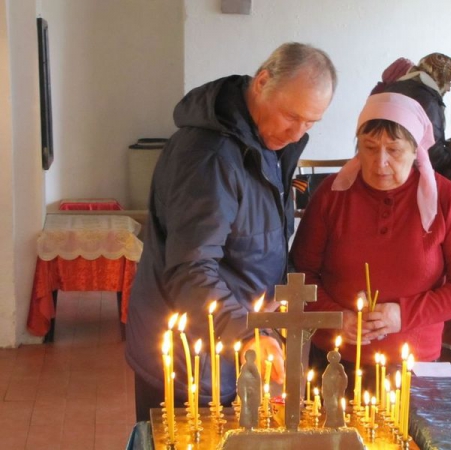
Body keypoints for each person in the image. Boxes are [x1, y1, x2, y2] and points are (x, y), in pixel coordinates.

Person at [125, 42, 337, 421]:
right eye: (292, 116)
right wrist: (245, 333)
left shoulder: (267, 145)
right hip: (190, 358)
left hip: (228, 348)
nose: (297, 132)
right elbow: (191, 268)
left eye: (311, 122)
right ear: (262, 82)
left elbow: (254, 241)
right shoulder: (210, 156)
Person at [290, 92, 451, 391]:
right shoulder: (333, 194)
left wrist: (402, 315)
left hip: (412, 366)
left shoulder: (445, 198)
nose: (380, 163)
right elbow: (299, 273)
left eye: (394, 150)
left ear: (416, 151)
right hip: (335, 359)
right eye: (369, 148)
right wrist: (336, 316)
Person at [378, 53, 451, 176]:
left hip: (384, 169)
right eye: (449, 82)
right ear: (440, 79)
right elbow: (434, 158)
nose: (448, 89)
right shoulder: (428, 102)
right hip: (411, 178)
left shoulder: (392, 88)